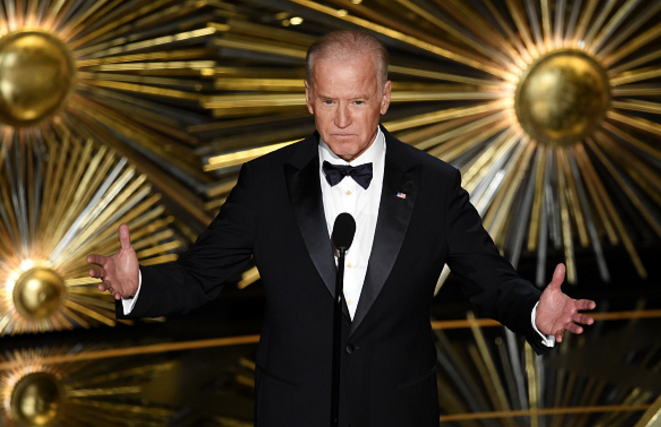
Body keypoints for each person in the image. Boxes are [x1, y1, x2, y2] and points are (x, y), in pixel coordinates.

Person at [87, 30, 596, 426]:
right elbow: (200, 275)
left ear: (385, 97)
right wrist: (138, 286)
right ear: (309, 98)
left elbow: (489, 280)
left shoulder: (436, 185)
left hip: (397, 411)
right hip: (293, 411)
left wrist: (534, 311)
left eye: (357, 101)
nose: (343, 120)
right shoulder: (265, 182)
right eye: (329, 101)